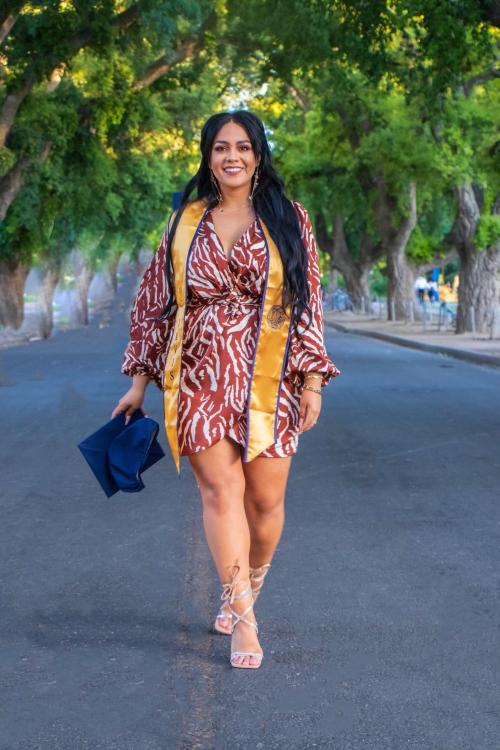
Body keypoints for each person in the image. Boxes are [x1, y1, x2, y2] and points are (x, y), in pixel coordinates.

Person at [112, 110, 340, 670]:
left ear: (258, 154)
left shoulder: (289, 219)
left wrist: (313, 379)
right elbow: (155, 301)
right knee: (219, 491)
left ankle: (248, 583)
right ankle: (243, 617)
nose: (230, 156)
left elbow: (306, 300)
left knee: (265, 503)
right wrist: (140, 383)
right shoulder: (185, 222)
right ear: (207, 157)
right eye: (219, 148)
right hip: (197, 371)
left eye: (241, 146)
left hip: (273, 375)